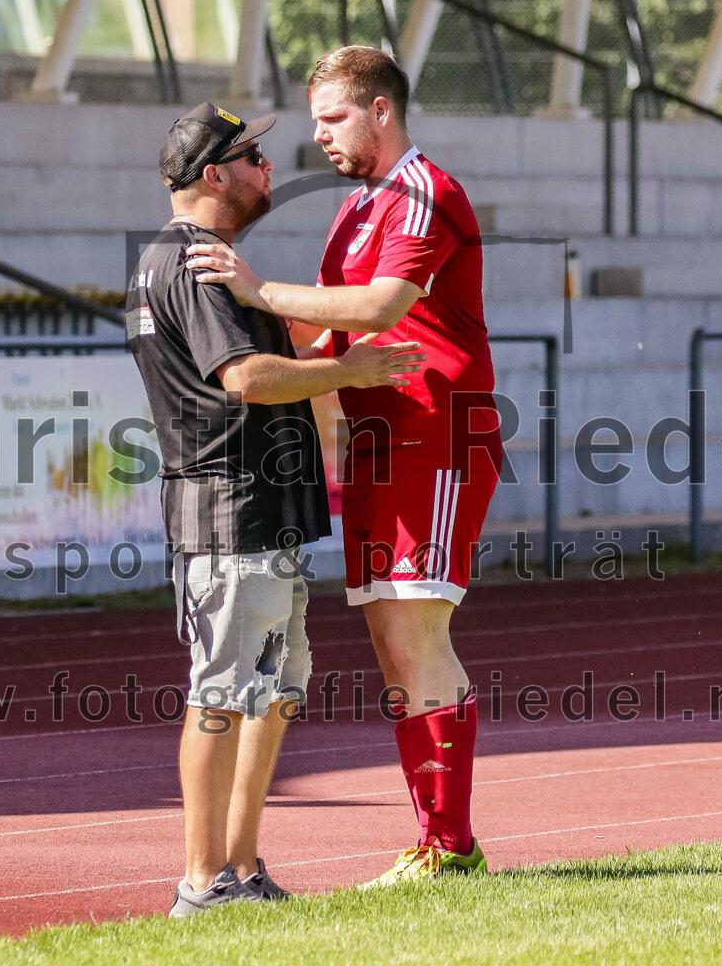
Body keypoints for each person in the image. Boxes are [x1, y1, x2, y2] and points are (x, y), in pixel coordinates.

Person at [185, 47, 503, 885]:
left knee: (414, 634)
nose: (320, 135)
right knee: (391, 644)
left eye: (334, 118)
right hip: (373, 443)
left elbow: (379, 307)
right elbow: (329, 332)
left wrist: (258, 292)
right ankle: (438, 844)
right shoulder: (358, 208)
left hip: (436, 436)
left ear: (380, 111)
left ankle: (449, 846)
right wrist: (221, 345)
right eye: (318, 120)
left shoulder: (425, 192)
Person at [127, 101, 426, 916]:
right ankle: (202, 882)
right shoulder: (194, 260)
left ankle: (240, 867)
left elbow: (261, 364)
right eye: (252, 159)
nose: (268, 168)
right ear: (214, 175)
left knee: (271, 689)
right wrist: (351, 372)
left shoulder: (190, 258)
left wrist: (335, 346)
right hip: (232, 510)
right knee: (223, 694)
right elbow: (247, 379)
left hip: (253, 509)